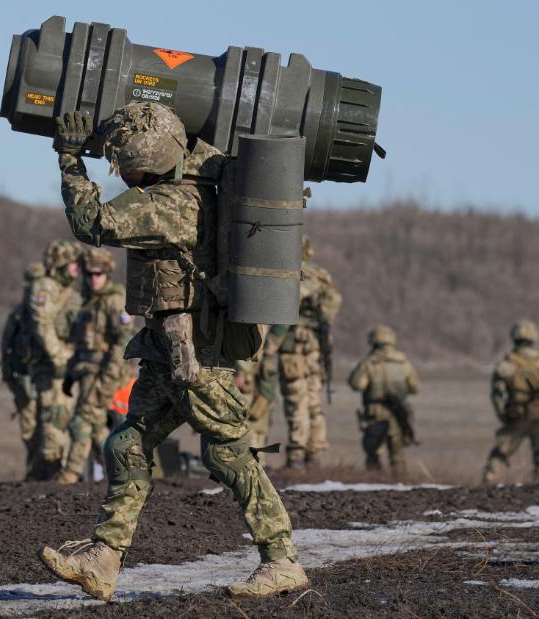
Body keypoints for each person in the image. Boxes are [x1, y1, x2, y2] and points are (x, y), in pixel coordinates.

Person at [37, 102, 307, 600]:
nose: (123, 172)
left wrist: (70, 157)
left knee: (227, 456)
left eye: (125, 162)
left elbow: (91, 223)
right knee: (126, 444)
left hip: (197, 354)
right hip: (170, 346)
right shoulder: (196, 178)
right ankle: (104, 558)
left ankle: (282, 559)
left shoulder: (168, 204)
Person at [57, 247, 130, 484]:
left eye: (98, 274)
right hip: (86, 374)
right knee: (97, 427)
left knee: (80, 422)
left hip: (104, 376)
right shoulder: (88, 303)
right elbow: (81, 344)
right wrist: (70, 375)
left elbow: (122, 342)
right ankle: (118, 474)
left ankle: (70, 474)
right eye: (89, 274)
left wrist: (107, 380)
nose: (93, 279)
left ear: (107, 274)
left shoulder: (114, 301)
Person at [276, 236, 342, 468]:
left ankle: (296, 454)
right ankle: (315, 452)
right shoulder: (321, 275)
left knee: (296, 399)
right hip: (317, 347)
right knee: (314, 401)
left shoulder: (291, 274)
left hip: (294, 347)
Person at [26, 240, 83, 480]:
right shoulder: (46, 287)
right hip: (51, 368)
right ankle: (49, 473)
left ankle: (52, 472)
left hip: (66, 365)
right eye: (73, 264)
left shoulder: (68, 291)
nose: (77, 270)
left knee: (64, 419)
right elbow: (42, 324)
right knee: (53, 419)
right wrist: (59, 357)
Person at [482, 320, 539, 484]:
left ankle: (487, 485)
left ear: (513, 337)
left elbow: (497, 395)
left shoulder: (506, 365)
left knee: (499, 454)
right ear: (534, 337)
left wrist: (503, 414)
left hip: (516, 416)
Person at [347, 325, 420, 473]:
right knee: (397, 454)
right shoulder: (404, 363)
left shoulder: (368, 363)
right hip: (398, 411)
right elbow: (414, 388)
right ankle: (401, 485)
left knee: (374, 452)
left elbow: (357, 384)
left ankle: (375, 484)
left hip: (376, 411)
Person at [0, 262, 45, 480]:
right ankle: (35, 470)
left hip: (44, 377)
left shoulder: (49, 312)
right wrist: (9, 374)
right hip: (23, 378)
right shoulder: (18, 314)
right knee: (29, 429)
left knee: (48, 427)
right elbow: (6, 345)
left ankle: (45, 471)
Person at [234, 326, 282, 468]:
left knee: (250, 424)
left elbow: (248, 349)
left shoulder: (252, 321)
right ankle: (256, 464)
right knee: (256, 426)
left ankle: (253, 464)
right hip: (257, 376)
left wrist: (242, 374)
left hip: (250, 380)